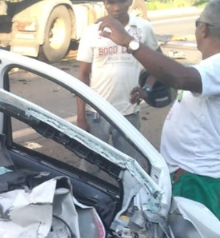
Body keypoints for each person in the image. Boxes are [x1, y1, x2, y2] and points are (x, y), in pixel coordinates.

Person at [98, 0, 220, 218]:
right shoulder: (210, 67)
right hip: (189, 175)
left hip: (196, 180)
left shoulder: (217, 65)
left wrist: (129, 42)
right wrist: (149, 89)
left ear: (203, 29)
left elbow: (180, 77)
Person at [76, 0, 159, 155]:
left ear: (130, 2)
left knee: (129, 165)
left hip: (129, 114)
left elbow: (159, 63)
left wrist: (147, 88)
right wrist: (81, 117)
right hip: (96, 114)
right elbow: (83, 75)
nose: (116, 8)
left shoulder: (143, 28)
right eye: (111, 3)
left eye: (121, 1)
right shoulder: (91, 32)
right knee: (91, 164)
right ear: (104, 3)